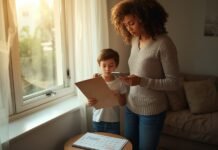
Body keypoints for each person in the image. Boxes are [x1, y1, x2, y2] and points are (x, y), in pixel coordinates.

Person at [111, 0, 180, 149]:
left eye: (132, 23)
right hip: (131, 106)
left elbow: (174, 83)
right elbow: (137, 71)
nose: (129, 28)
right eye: (126, 24)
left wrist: (142, 81)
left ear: (146, 18)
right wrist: (119, 76)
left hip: (152, 111)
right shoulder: (135, 40)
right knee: (129, 147)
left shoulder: (164, 44)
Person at [87, 48, 127, 135]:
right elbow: (89, 102)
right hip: (97, 121)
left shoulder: (120, 82)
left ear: (116, 65)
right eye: (104, 65)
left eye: (111, 65)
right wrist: (89, 102)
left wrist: (118, 96)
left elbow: (123, 103)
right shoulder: (94, 80)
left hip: (113, 122)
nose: (107, 69)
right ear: (99, 65)